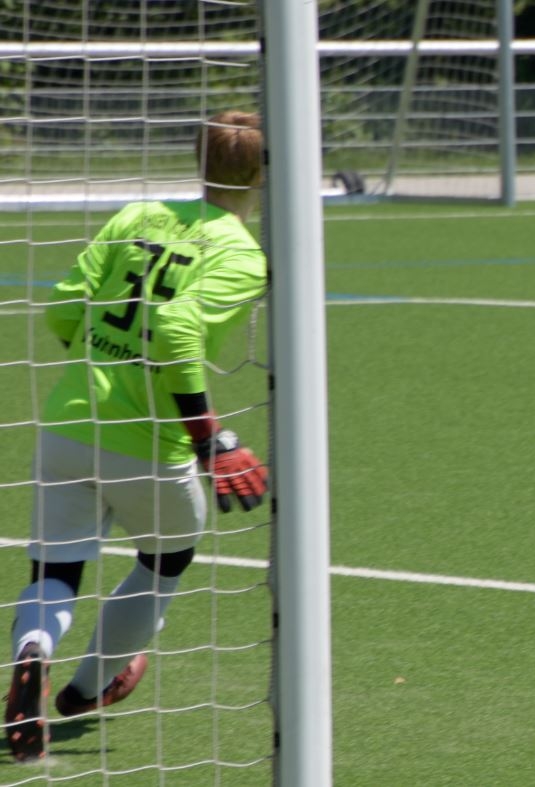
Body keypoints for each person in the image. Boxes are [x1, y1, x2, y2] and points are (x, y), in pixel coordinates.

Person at [6, 110, 271, 762]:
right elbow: (176, 329)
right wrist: (210, 438)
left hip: (71, 422)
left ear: (196, 157)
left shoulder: (138, 214)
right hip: (151, 446)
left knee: (56, 568)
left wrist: (102, 360)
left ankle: (33, 649)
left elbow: (64, 305)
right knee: (163, 563)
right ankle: (87, 689)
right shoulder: (242, 254)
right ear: (263, 174)